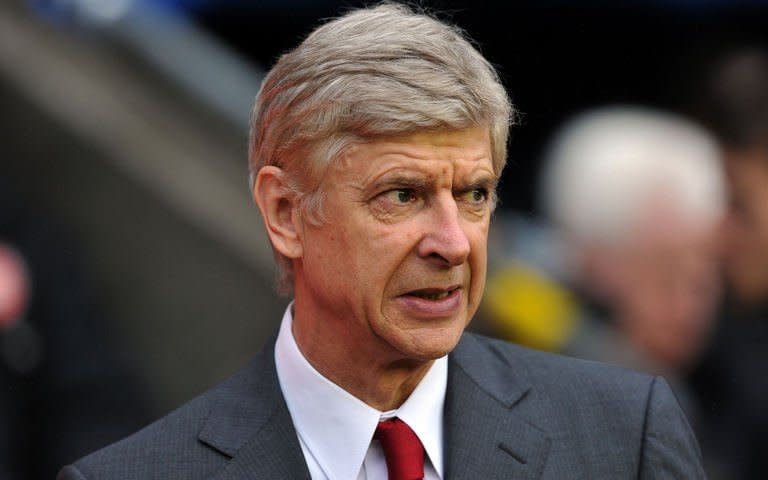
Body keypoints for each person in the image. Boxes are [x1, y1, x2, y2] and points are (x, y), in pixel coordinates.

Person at [58, 4, 705, 479]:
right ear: (284, 212)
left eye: (474, 195)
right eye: (403, 195)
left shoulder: (623, 437)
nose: (453, 243)